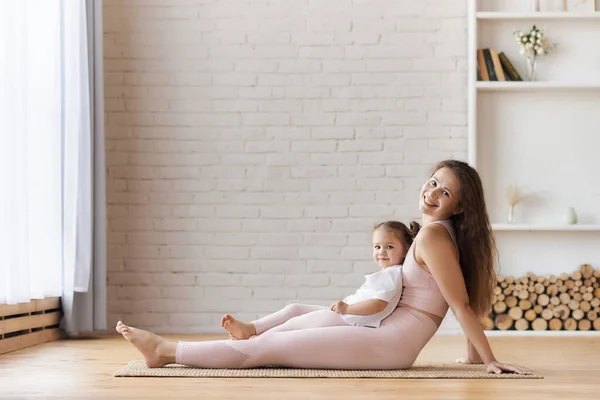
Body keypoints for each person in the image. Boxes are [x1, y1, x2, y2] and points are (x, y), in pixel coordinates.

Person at [116, 159, 531, 375]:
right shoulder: (434, 233)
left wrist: (489, 359)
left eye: (445, 191)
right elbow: (454, 300)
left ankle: (166, 351)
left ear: (459, 206)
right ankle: (190, 345)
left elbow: (459, 304)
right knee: (292, 321)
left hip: (390, 342)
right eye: (433, 181)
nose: (432, 191)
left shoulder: (434, 237)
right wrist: (474, 358)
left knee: (269, 350)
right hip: (381, 329)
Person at [220, 220, 419, 341]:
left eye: (389, 247)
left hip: (345, 319)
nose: (381, 252)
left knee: (294, 325)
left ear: (406, 249)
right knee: (294, 309)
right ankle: (250, 329)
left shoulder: (391, 274)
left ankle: (255, 339)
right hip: (342, 315)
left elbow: (378, 304)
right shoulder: (387, 274)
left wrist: (347, 309)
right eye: (377, 247)